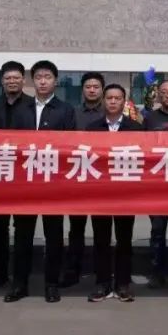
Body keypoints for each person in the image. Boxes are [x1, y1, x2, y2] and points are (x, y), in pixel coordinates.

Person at [5, 60, 76, 304]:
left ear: (55, 81)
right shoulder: (21, 110)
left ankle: (51, 284)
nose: (43, 81)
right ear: (31, 81)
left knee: (54, 236)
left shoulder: (66, 110)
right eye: (38, 77)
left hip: (53, 184)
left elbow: (70, 146)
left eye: (47, 77)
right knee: (22, 235)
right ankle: (19, 284)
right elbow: (11, 143)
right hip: (25, 184)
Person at [85, 84, 143, 303]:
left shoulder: (136, 128)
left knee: (124, 239)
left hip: (125, 193)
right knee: (101, 239)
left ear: (124, 101)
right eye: (109, 97)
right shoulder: (92, 128)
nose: (112, 101)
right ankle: (102, 283)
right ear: (103, 100)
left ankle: (123, 284)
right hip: (99, 193)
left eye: (117, 98)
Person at [0, 60, 32, 290]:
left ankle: (21, 276)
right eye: (8, 78)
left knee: (23, 228)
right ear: (2, 81)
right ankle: (0, 272)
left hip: (24, 174)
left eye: (16, 78)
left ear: (23, 80)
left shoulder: (32, 106)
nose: (12, 81)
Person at [63, 71, 106, 288]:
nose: (92, 90)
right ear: (82, 89)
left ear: (102, 90)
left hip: (103, 181)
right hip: (78, 179)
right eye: (88, 86)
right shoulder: (73, 113)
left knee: (101, 229)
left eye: (96, 87)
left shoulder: (110, 113)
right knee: (76, 228)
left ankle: (102, 272)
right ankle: (73, 270)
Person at [142, 79, 168, 288]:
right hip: (156, 184)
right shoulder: (150, 118)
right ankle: (156, 271)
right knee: (157, 230)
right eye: (164, 92)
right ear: (158, 94)